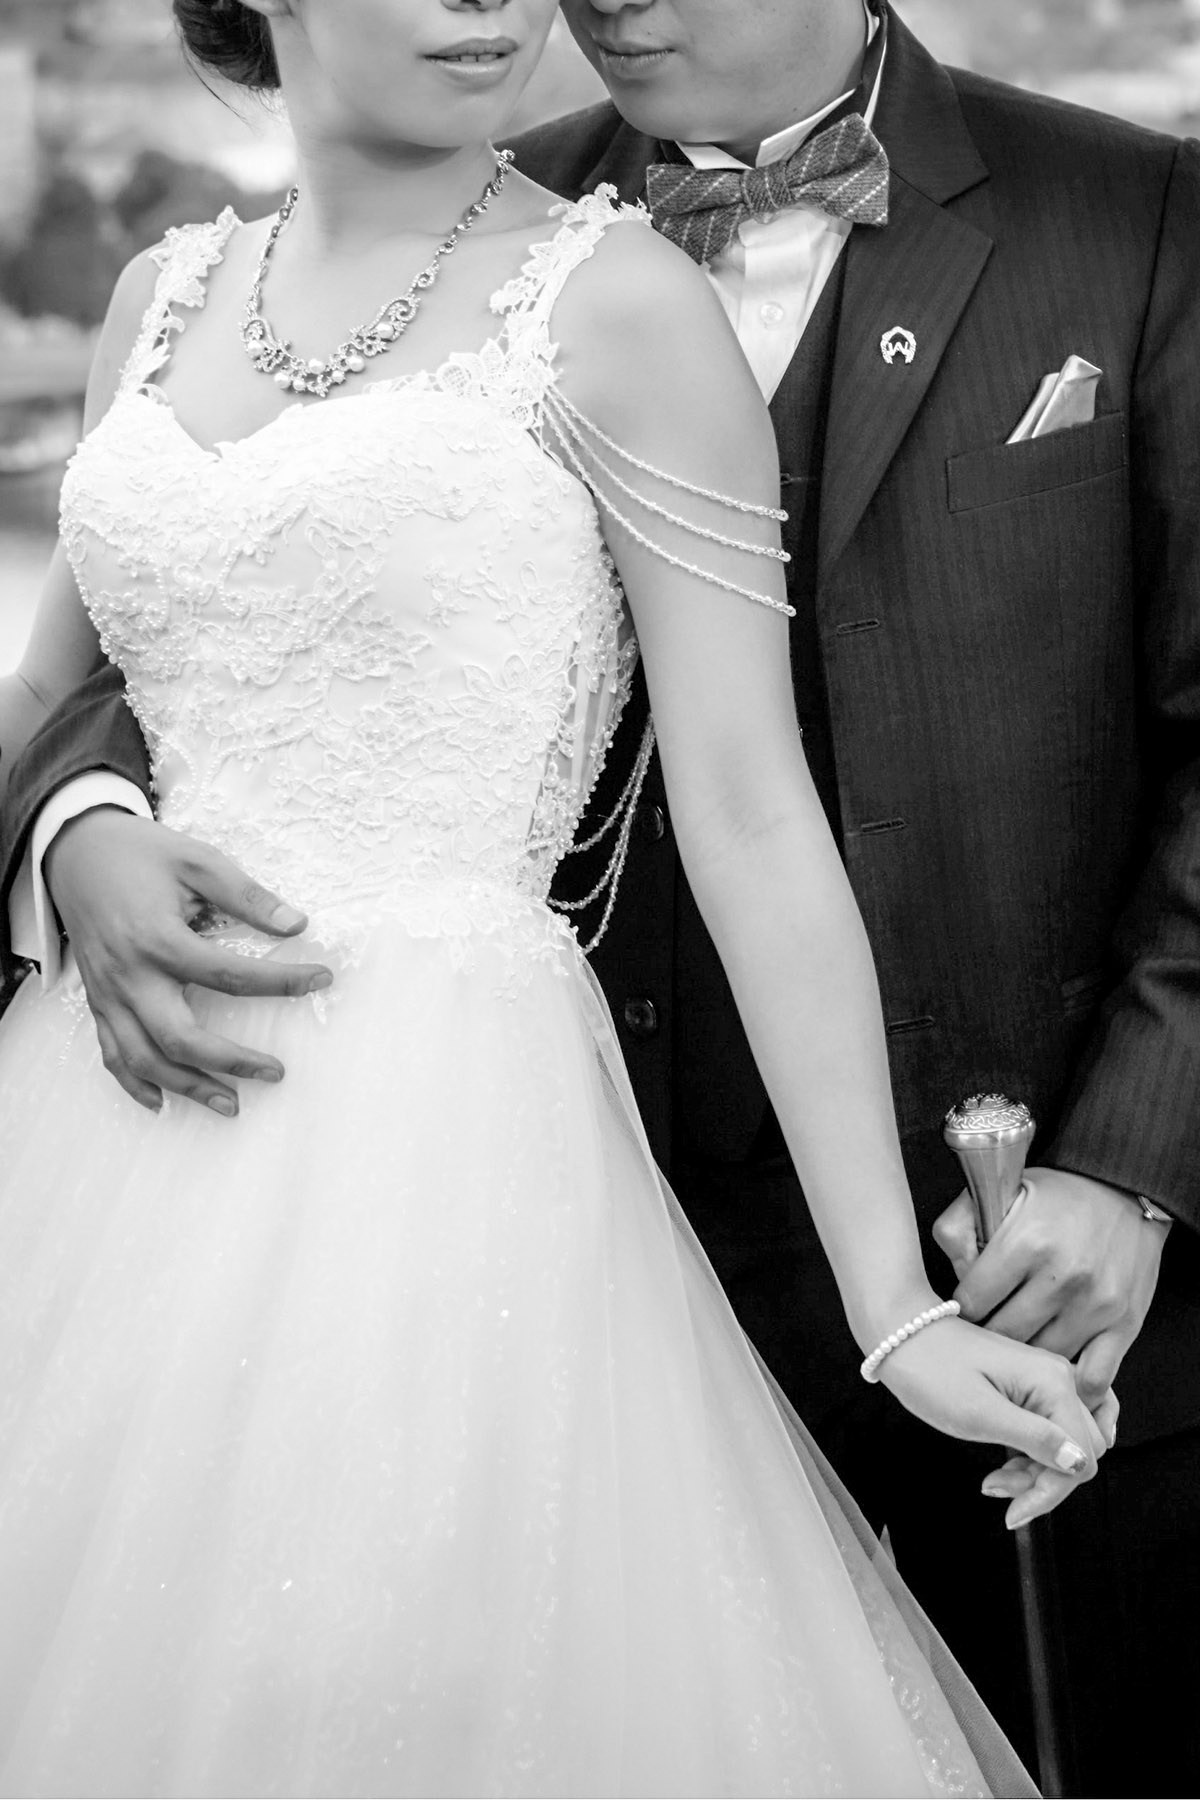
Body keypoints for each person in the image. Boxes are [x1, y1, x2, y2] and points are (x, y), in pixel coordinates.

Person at [4, 0, 1193, 1793]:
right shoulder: (190, 292)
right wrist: (75, 824)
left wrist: (977, 1256)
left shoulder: (659, 285)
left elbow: (748, 802)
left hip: (613, 1173)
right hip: (205, 1137)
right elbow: (99, 671)